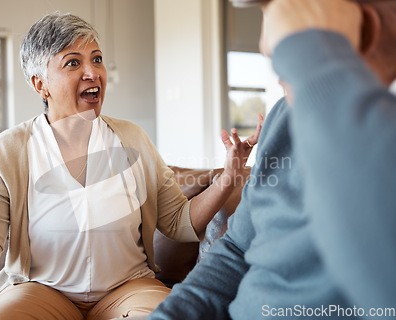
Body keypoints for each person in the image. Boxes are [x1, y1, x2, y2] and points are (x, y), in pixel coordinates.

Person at [0, 12, 263, 320]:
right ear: (39, 84)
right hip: (41, 290)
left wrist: (229, 176)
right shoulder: (8, 150)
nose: (92, 72)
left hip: (128, 286)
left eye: (97, 58)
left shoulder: (133, 138)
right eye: (73, 62)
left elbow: (179, 224)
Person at [148, 0, 396, 319]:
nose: (267, 51)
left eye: (284, 41)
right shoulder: (285, 117)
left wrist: (313, 63)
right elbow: (236, 249)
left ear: (360, 30)